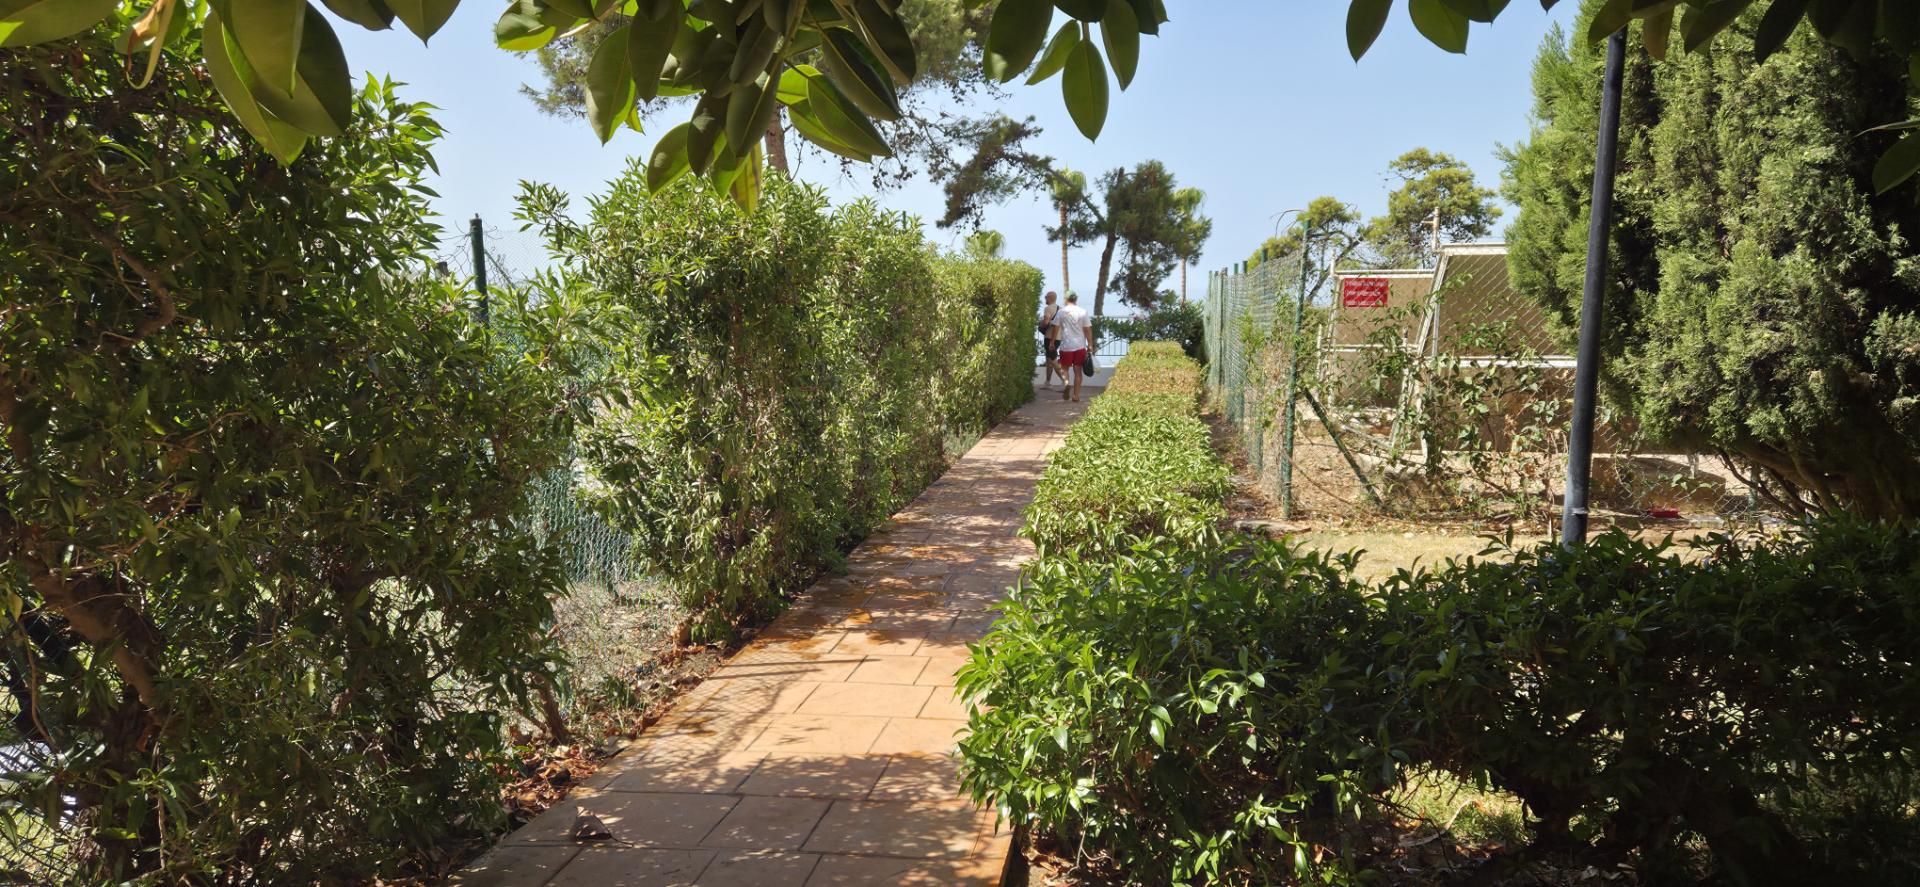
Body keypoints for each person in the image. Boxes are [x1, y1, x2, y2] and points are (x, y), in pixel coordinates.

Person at [1054, 291, 1093, 403]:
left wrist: (1052, 342)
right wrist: (1090, 344)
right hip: (1079, 346)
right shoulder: (1083, 312)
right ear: (1076, 299)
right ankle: (1076, 396)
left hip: (1066, 346)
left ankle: (1066, 383)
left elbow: (1056, 328)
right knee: (1078, 371)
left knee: (1064, 368)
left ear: (1066, 299)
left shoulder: (1061, 312)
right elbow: (1087, 329)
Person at [1038, 291, 1064, 389]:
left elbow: (1046, 322)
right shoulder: (1061, 309)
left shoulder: (1048, 308)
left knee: (1053, 360)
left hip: (1050, 338)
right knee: (1049, 360)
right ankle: (1047, 382)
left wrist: (1041, 324)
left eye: (1046, 297)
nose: (1045, 299)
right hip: (1058, 338)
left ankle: (1065, 381)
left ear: (1050, 298)